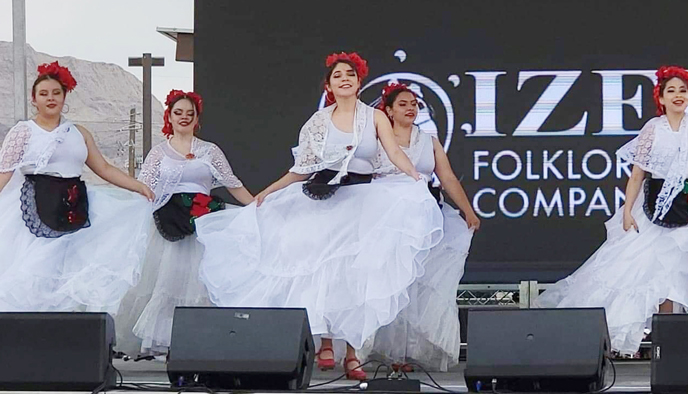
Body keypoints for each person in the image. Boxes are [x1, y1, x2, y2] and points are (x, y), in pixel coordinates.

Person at [196, 52, 443, 380]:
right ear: (329, 85)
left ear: (358, 82)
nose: (345, 79)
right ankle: (326, 342)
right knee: (323, 269)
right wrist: (267, 192)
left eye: (350, 75)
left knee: (355, 276)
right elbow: (302, 169)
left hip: (362, 200)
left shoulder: (374, 118)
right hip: (324, 199)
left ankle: (352, 354)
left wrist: (413, 175)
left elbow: (393, 152)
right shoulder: (318, 122)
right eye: (338, 75)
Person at [537, 66, 688, 355]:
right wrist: (627, 211)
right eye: (671, 91)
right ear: (661, 98)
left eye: (683, 90)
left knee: (687, 270)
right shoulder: (652, 130)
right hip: (656, 208)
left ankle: (686, 339)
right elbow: (637, 175)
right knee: (653, 272)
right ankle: (664, 341)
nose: (678, 95)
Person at [0, 62, 154, 313]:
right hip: (36, 205)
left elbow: (103, 168)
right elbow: (4, 173)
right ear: (34, 100)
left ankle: (62, 335)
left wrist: (137, 186)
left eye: (56, 93)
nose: (50, 98)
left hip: (74, 203)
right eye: (44, 94)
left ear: (64, 97)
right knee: (35, 270)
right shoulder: (23, 132)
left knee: (68, 268)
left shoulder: (78, 132)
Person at [115, 90, 254, 356]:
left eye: (190, 114)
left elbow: (232, 182)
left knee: (201, 282)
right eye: (178, 113)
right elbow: (145, 188)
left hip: (203, 220)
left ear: (197, 119)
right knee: (167, 280)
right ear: (169, 116)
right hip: (170, 222)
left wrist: (256, 206)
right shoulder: (159, 153)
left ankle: (202, 341)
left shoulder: (209, 151)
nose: (184, 118)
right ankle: (166, 343)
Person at [360, 83, 478, 372]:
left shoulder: (429, 140)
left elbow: (447, 177)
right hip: (385, 219)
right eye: (403, 104)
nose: (410, 108)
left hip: (423, 219)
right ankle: (376, 350)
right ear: (387, 110)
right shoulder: (375, 139)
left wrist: (467, 210)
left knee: (418, 283)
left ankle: (406, 352)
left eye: (414, 103)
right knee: (388, 280)